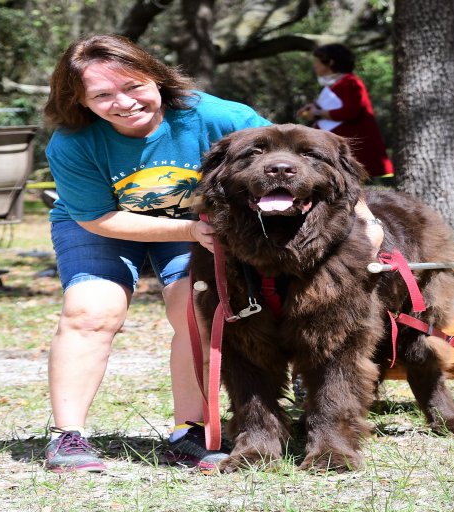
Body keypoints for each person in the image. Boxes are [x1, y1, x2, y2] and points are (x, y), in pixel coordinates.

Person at [41, 33, 384, 474]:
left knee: (196, 310)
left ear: (157, 79)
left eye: (133, 86)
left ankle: (189, 431)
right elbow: (96, 218)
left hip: (193, 224)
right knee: (90, 312)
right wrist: (193, 229)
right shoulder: (72, 142)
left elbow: (312, 159)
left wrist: (366, 218)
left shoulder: (219, 116)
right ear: (80, 101)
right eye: (102, 95)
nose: (123, 103)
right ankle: (68, 436)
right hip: (106, 223)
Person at [297, 44, 394, 178]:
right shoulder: (337, 83)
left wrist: (317, 113)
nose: (315, 66)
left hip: (355, 148)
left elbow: (350, 112)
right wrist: (313, 108)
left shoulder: (351, 82)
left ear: (330, 62)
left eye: (317, 62)